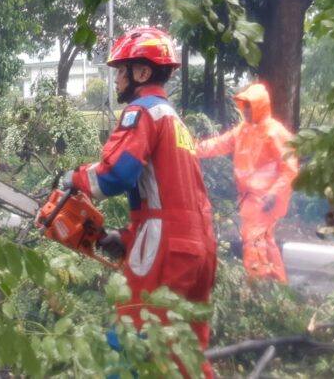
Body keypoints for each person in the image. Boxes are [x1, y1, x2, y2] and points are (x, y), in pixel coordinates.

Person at [64, 28, 217, 378]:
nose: (117, 79)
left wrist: (73, 178)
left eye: (122, 70)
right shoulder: (174, 120)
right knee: (185, 347)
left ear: (143, 73)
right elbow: (172, 198)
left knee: (133, 334)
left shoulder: (142, 111)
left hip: (167, 244)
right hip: (201, 245)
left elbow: (116, 176)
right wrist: (128, 237)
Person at [195, 82, 298, 284]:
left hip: (267, 199)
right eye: (245, 106)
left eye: (249, 106)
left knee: (253, 240)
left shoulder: (275, 133)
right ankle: (277, 285)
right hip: (251, 198)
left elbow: (290, 168)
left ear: (259, 106)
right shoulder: (243, 130)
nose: (246, 111)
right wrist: (192, 149)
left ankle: (256, 288)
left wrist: (274, 193)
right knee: (264, 241)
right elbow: (220, 143)